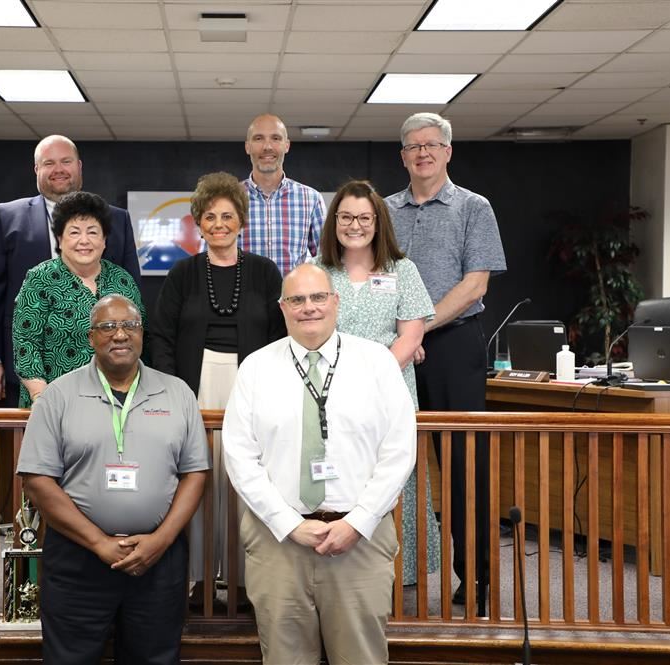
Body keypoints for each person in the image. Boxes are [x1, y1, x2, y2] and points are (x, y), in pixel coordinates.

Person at [222, 263, 416, 665]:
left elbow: (399, 451)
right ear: (283, 307)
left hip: (359, 539)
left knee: (360, 658)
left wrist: (357, 522)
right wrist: (288, 523)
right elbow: (240, 457)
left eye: (318, 297)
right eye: (297, 299)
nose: (308, 307)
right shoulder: (255, 368)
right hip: (279, 542)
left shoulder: (377, 362)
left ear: (335, 301)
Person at [17, 294, 209, 665]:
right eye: (107, 327)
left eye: (130, 326)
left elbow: (195, 473)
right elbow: (37, 480)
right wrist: (99, 542)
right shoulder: (57, 396)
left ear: (141, 334)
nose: (120, 334)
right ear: (91, 338)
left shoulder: (177, 393)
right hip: (78, 558)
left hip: (158, 559)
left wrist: (161, 540)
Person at [385, 112, 507, 610]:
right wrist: (402, 334)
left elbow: (475, 284)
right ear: (403, 156)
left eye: (432, 144)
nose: (423, 153)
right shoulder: (384, 210)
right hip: (392, 350)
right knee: (389, 459)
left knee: (463, 465)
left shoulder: (474, 208)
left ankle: (474, 577)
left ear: (448, 151)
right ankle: (393, 570)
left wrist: (420, 326)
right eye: (414, 146)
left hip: (452, 344)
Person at [152, 171, 286, 607]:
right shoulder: (183, 274)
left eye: (228, 216)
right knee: (197, 481)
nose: (220, 224)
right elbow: (163, 338)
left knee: (247, 482)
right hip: (195, 389)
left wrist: (271, 392)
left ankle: (245, 582)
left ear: (241, 221)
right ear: (198, 223)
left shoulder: (266, 274)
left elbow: (281, 338)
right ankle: (199, 580)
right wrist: (175, 393)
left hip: (252, 389)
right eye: (210, 216)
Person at [314, 179, 440, 586]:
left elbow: (411, 334)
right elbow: (306, 328)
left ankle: (400, 575)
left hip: (389, 390)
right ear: (335, 221)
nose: (355, 225)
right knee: (341, 473)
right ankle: (337, 564)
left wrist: (371, 375)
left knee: (394, 474)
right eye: (347, 217)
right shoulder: (318, 271)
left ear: (378, 222)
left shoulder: (402, 270)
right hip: (328, 391)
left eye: (364, 218)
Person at [0, 134, 141, 406]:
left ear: (80, 167)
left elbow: (133, 303)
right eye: (49, 163)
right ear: (36, 170)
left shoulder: (115, 219)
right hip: (34, 374)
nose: (59, 169)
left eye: (66, 161)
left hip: (110, 377)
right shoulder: (7, 217)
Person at [12, 191, 145, 408]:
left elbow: (140, 337)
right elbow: (26, 345)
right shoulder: (39, 279)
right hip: (55, 402)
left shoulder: (122, 280)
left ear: (104, 241)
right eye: (74, 232)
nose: (84, 241)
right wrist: (42, 399)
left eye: (93, 232)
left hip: (118, 401)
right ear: (60, 240)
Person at [240, 114, 326, 275]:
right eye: (258, 138)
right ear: (248, 147)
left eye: (275, 138)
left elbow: (326, 260)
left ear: (286, 146)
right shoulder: (229, 198)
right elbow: (212, 258)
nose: (267, 146)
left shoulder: (311, 199)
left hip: (292, 298)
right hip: (241, 299)